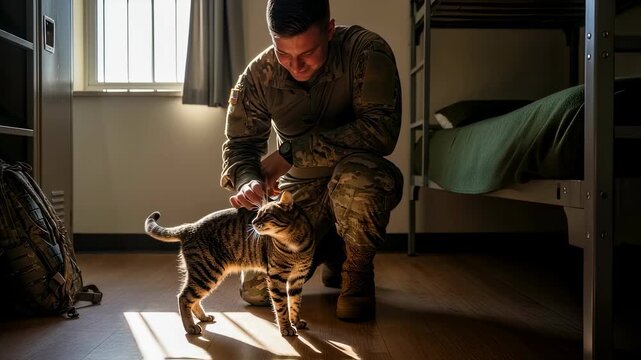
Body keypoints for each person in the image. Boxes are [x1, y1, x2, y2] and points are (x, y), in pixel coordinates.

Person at [221, 0, 403, 321]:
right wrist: (248, 179)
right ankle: (333, 251)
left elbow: (380, 131)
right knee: (257, 291)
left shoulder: (366, 52)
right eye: (284, 54)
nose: (296, 66)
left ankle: (357, 272)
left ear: (330, 30)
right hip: (299, 193)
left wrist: (290, 153)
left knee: (358, 180)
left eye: (307, 53)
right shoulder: (260, 73)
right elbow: (241, 145)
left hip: (358, 181)